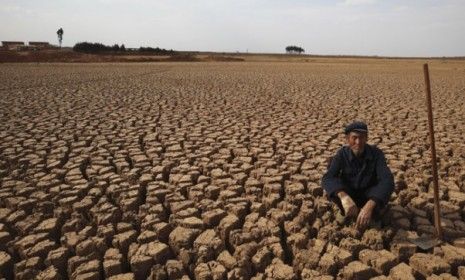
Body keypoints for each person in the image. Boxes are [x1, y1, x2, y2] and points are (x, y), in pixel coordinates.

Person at [321, 121, 394, 229]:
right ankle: (346, 213)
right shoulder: (341, 154)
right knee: (333, 190)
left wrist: (370, 205)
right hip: (350, 197)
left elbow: (387, 180)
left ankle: (371, 215)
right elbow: (328, 178)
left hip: (369, 196)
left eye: (362, 138)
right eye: (354, 138)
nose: (358, 142)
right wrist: (343, 196)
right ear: (347, 139)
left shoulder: (376, 154)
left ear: (366, 138)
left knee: (384, 190)